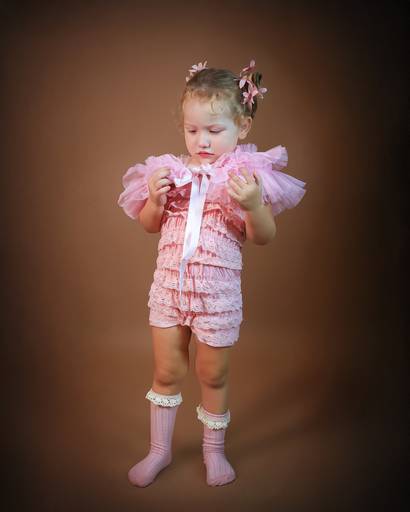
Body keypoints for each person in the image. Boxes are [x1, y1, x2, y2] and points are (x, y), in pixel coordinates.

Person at [117, 59, 307, 487]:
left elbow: (263, 236)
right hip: (170, 289)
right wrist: (154, 200)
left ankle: (213, 452)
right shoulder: (170, 172)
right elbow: (149, 225)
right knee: (166, 372)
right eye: (192, 130)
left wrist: (253, 205)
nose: (201, 140)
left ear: (242, 127)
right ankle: (159, 450)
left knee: (212, 374)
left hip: (216, 296)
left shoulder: (246, 178)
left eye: (214, 130)